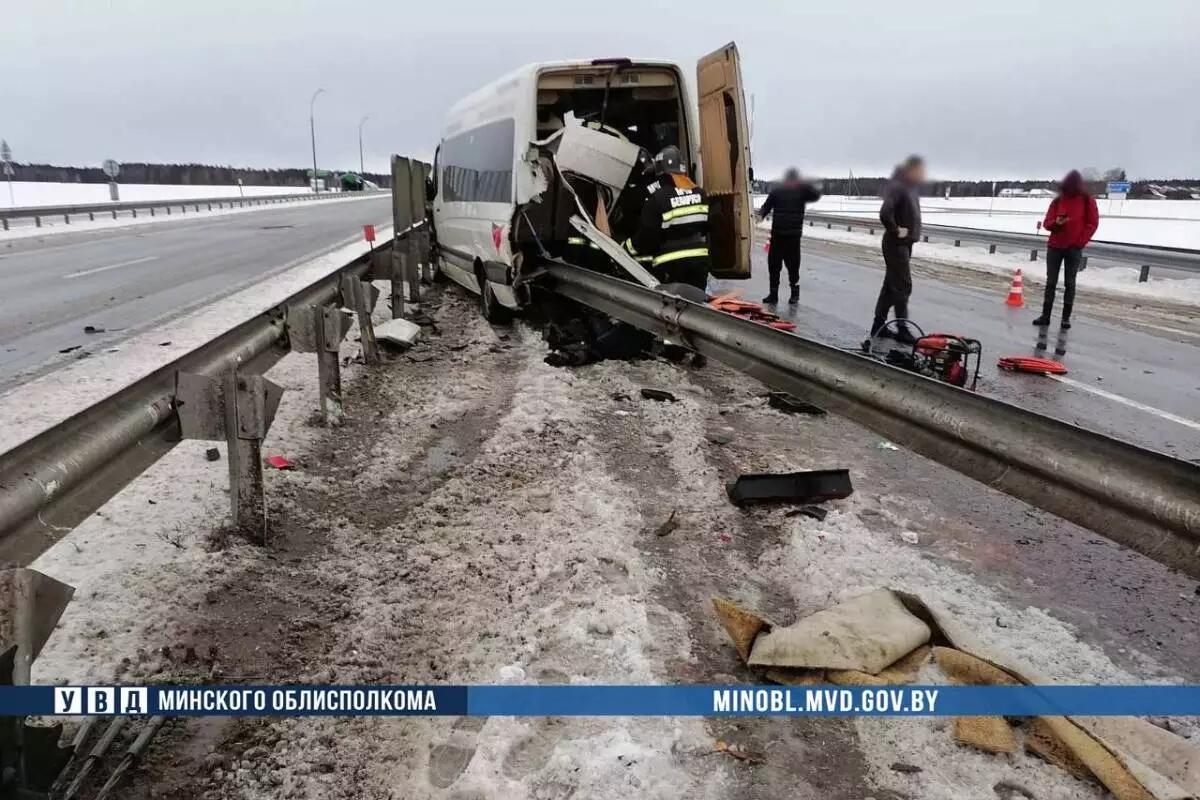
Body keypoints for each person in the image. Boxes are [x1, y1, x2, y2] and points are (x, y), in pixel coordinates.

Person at [627, 145, 710, 291]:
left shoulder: (658, 198)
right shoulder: (701, 194)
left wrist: (627, 247)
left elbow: (647, 235)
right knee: (696, 305)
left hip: (670, 264)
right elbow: (707, 228)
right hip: (699, 261)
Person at [1033, 170, 1098, 329]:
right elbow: (1048, 223)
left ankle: (1065, 318)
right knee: (1051, 282)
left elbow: (1092, 223)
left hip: (1073, 248)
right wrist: (1057, 223)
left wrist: (1079, 242)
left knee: (1070, 282)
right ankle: (1045, 315)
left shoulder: (1086, 200)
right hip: (1055, 246)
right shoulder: (1057, 201)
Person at [871, 155, 925, 344]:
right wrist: (896, 230)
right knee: (903, 285)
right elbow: (885, 213)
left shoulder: (910, 188)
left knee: (890, 286)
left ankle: (878, 325)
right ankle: (902, 328)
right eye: (919, 170)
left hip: (905, 244)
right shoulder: (899, 186)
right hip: (896, 244)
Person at [756, 168, 821, 304]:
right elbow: (766, 206)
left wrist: (761, 214)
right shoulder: (779, 192)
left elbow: (815, 195)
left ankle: (793, 294)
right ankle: (774, 294)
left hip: (792, 237)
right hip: (779, 235)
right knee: (774, 266)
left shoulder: (801, 192)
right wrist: (760, 215)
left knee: (792, 267)